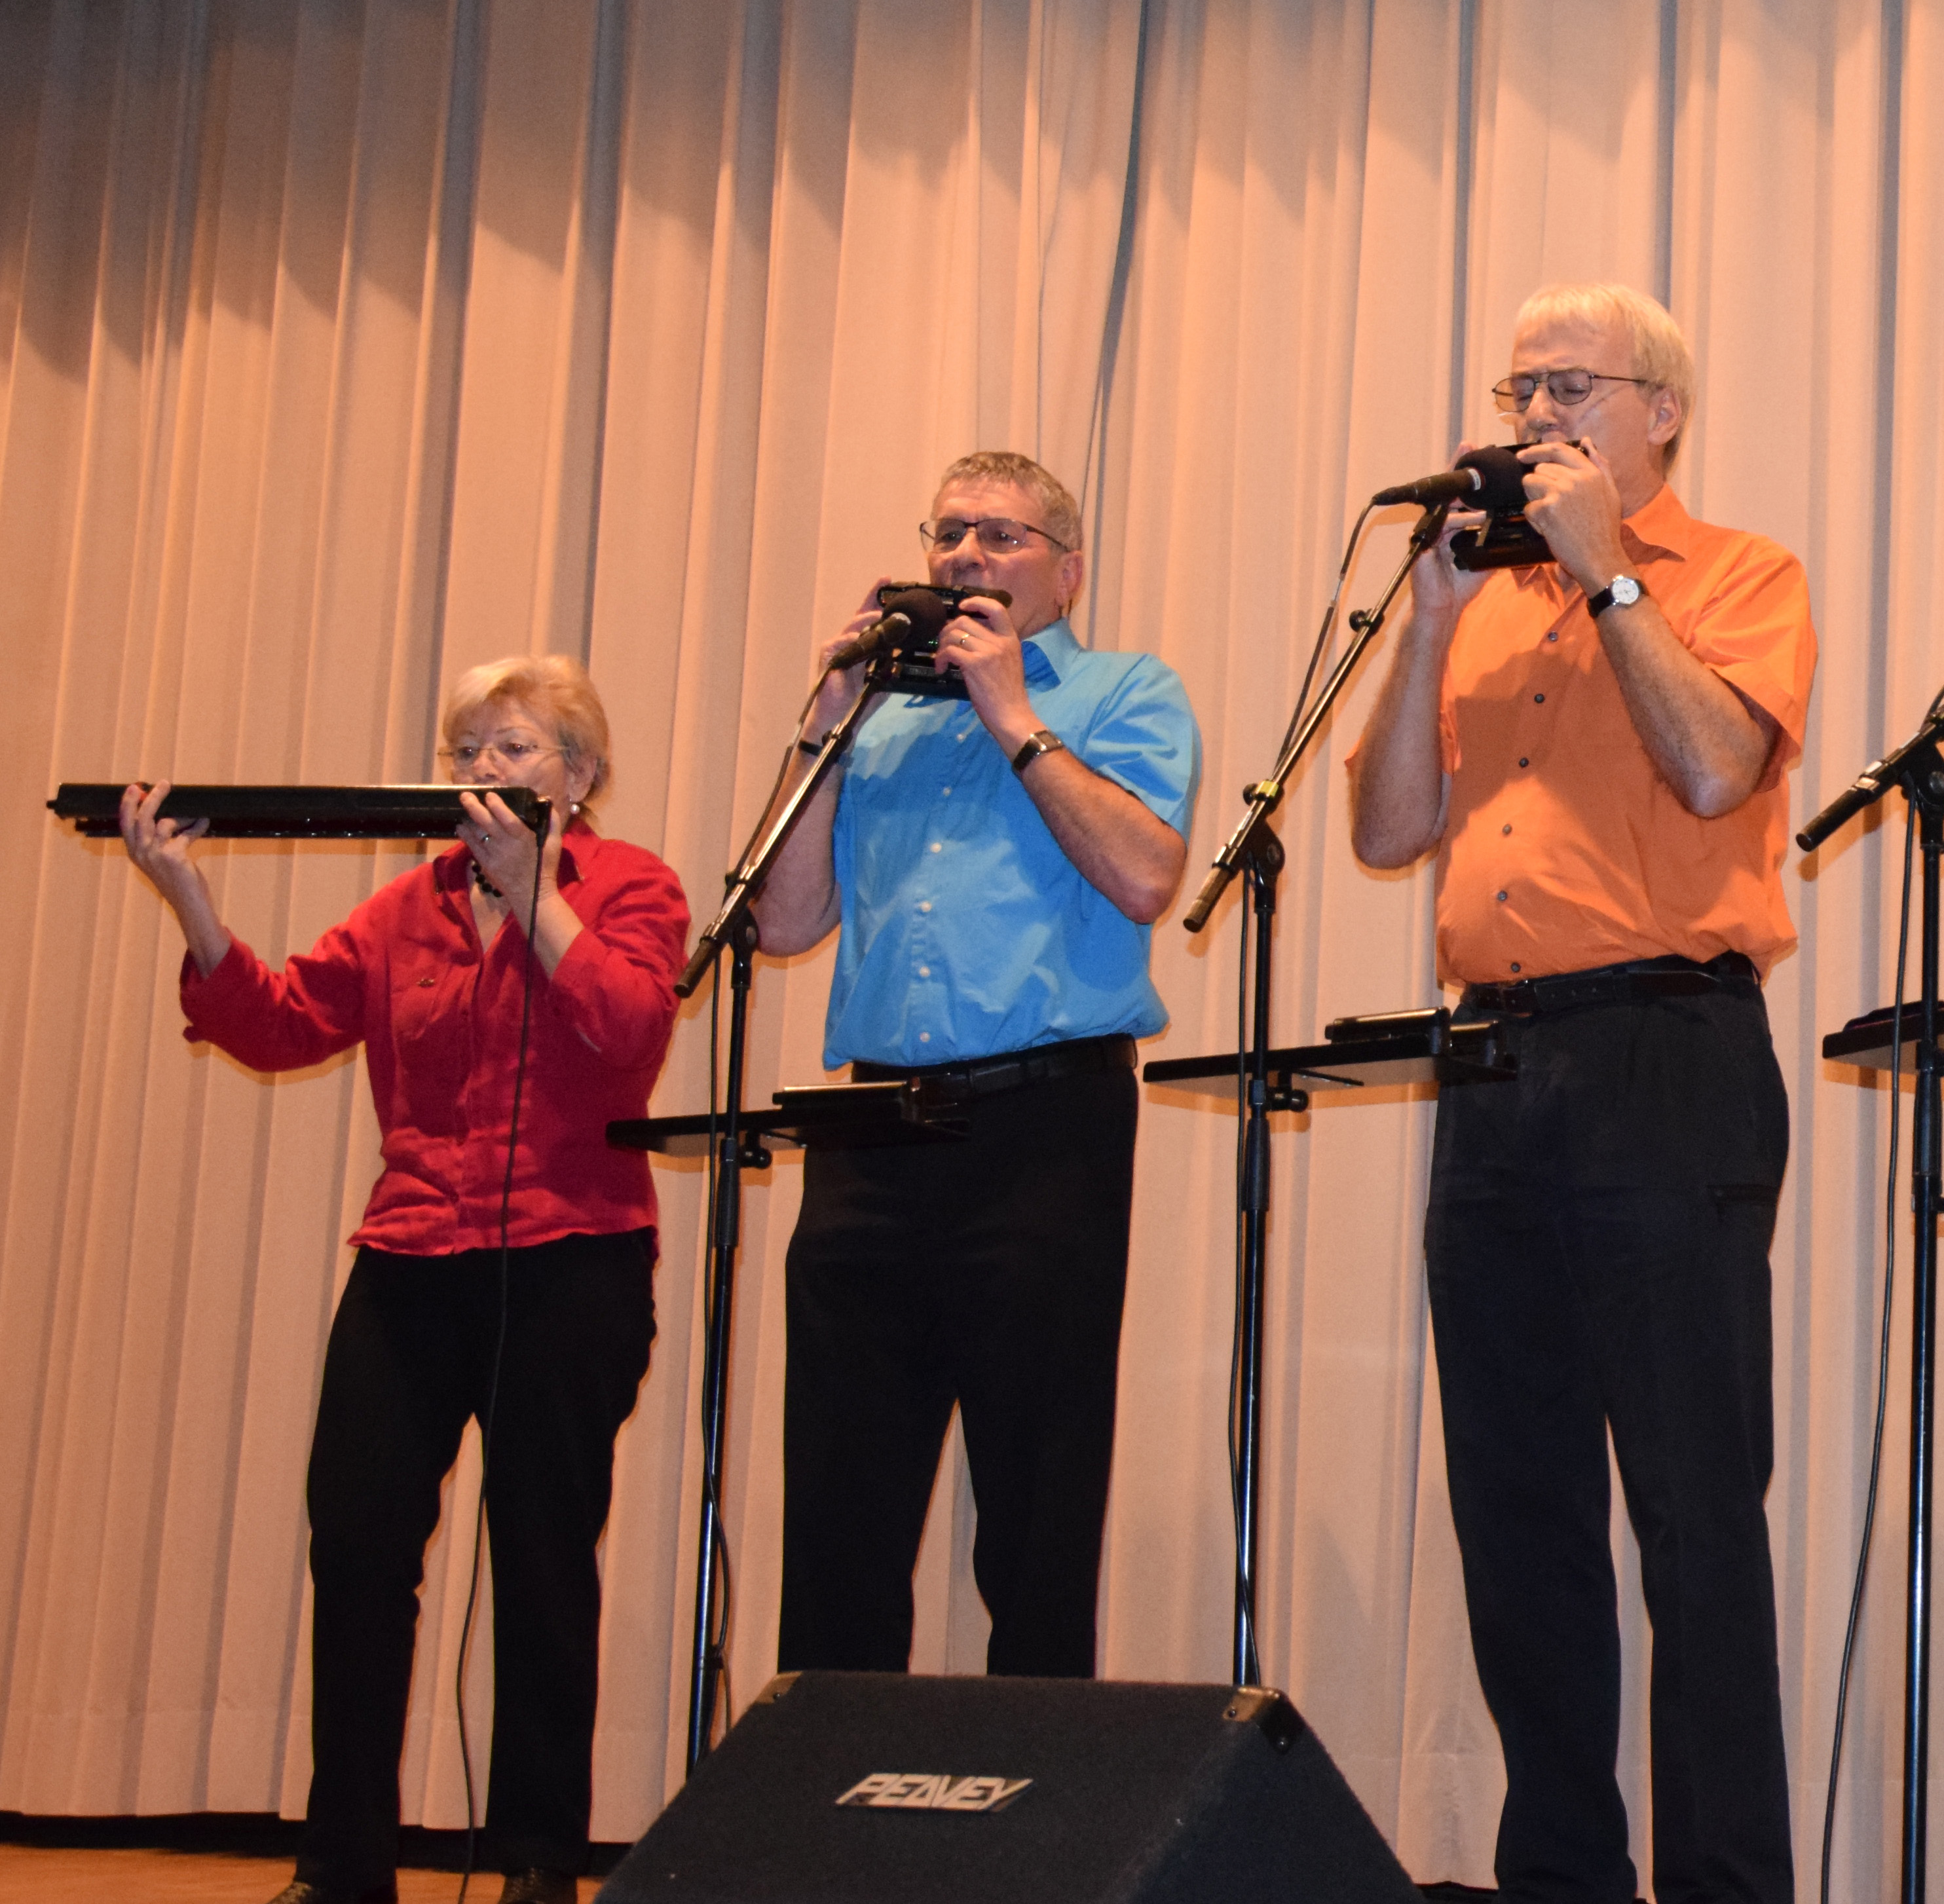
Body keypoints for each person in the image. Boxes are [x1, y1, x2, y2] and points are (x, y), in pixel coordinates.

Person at [1347, 282, 1811, 1904]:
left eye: (1571, 387)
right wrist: (1420, 616)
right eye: (1518, 386)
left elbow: (1712, 767)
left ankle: (1729, 1884)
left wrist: (1609, 567)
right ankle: (1561, 1876)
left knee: (1693, 1514)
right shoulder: (1473, 600)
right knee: (1518, 1510)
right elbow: (1387, 828)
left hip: (1665, 1056)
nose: (1532, 416)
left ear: (1660, 412)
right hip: (1490, 1064)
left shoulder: (1741, 575)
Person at [119, 657, 687, 1904]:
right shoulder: (401, 911)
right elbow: (276, 1026)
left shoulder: (632, 886)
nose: (481, 770)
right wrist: (189, 901)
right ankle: (344, 1871)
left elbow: (630, 1030)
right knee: (361, 1541)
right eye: (466, 749)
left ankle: (542, 1858)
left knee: (541, 1553)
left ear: (577, 778)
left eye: (513, 748)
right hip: (413, 1255)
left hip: (570, 1258)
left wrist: (537, 896)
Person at [751, 449, 1197, 1680]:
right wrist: (824, 734)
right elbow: (783, 925)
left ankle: (1032, 1840)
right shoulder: (878, 720)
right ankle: (832, 1847)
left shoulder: (1122, 693)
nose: (964, 559)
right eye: (949, 534)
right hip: (870, 1138)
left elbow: (1148, 876)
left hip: (1043, 1133)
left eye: (1001, 537)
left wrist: (1015, 716)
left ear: (1068, 571)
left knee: (1036, 1514)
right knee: (841, 1518)